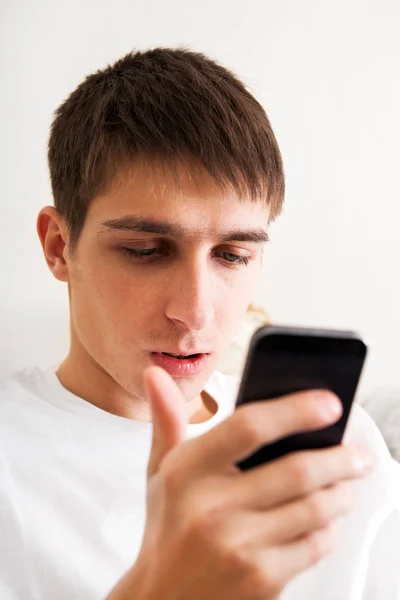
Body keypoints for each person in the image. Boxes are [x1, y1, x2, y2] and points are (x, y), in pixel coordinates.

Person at [0, 48, 399, 600]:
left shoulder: (341, 446)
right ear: (59, 246)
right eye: (145, 250)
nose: (197, 311)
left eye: (233, 255)